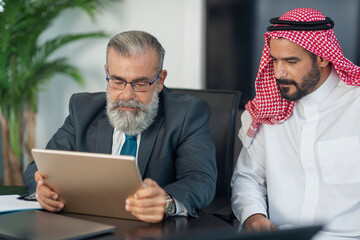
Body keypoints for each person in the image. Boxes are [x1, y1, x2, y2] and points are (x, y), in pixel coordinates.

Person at [23, 30, 217, 223]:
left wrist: (166, 202)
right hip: (87, 225)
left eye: (140, 84)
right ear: (107, 73)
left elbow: (201, 180)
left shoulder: (187, 114)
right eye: (117, 81)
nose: (126, 95)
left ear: (159, 80)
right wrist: (43, 190)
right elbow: (38, 169)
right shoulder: (82, 109)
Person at [231, 8, 360, 239]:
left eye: (291, 61)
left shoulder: (355, 105)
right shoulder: (267, 110)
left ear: (322, 57)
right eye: (274, 60)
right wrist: (253, 216)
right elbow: (247, 178)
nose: (279, 73)